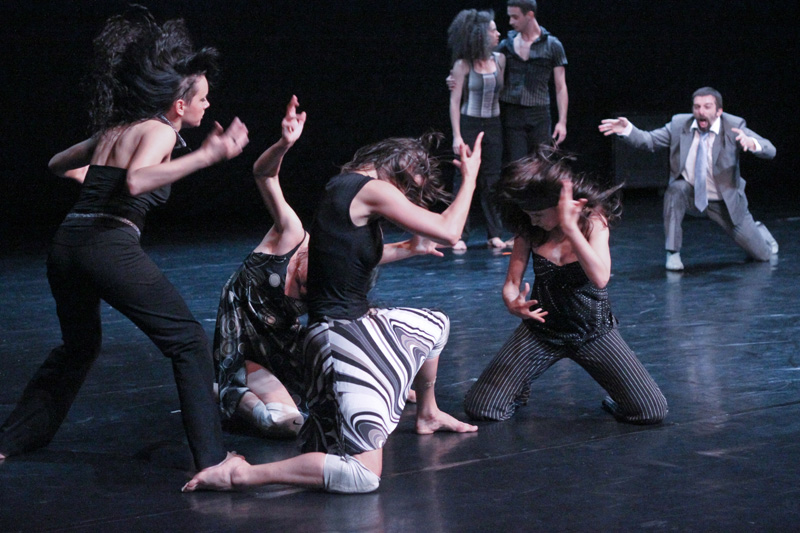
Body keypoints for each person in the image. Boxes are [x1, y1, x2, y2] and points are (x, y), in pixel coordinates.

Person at [0, 7, 249, 480]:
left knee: (79, 346)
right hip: (107, 245)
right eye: (202, 99)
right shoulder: (159, 130)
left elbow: (56, 163)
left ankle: (10, 441)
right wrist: (208, 156)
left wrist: (93, 182)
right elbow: (137, 180)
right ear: (180, 105)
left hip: (67, 245)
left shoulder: (116, 129)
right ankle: (212, 460)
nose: (207, 105)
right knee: (188, 340)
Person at [183, 132, 484, 494]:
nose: (405, 196)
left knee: (434, 325)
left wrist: (410, 246)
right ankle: (239, 474)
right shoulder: (369, 189)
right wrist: (471, 176)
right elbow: (450, 231)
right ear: (398, 165)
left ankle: (428, 413)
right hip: (338, 339)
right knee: (361, 475)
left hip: (352, 325)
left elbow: (350, 258)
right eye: (408, 185)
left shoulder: (345, 193)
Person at [463, 149, 667, 424]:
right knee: (482, 407)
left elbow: (600, 277)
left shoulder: (593, 222)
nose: (532, 220)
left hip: (592, 331)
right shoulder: (530, 228)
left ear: (559, 205)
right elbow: (511, 283)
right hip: (542, 330)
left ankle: (617, 398)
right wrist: (512, 303)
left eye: (538, 214)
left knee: (650, 411)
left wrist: (571, 229)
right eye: (528, 214)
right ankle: (518, 387)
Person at [599, 87, 778, 271]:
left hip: (724, 202)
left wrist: (752, 143)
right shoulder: (679, 125)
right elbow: (650, 141)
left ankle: (758, 230)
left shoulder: (733, 126)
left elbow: (770, 150)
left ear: (719, 111)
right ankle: (673, 252)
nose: (701, 112)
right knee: (675, 190)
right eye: (697, 106)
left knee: (762, 255)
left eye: (707, 107)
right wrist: (628, 130)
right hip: (691, 194)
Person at [213, 96, 309, 439]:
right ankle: (223, 390)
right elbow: (263, 173)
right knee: (284, 422)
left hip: (283, 347)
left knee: (338, 402)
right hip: (242, 345)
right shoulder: (292, 234)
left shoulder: (332, 278)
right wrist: (285, 144)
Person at [447, 9, 507, 250]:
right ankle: (459, 234)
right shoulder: (463, 65)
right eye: (493, 30)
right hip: (469, 123)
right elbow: (454, 101)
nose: (498, 33)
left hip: (493, 124)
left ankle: (494, 234)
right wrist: (457, 135)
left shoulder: (500, 60)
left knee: (492, 179)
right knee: (464, 178)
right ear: (480, 35)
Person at [498, 0, 568, 160]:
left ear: (529, 15)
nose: (511, 22)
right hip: (513, 111)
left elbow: (561, 87)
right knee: (517, 164)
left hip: (539, 113)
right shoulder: (507, 44)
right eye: (510, 17)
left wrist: (562, 122)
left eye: (515, 17)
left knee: (541, 163)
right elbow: (483, 62)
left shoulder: (552, 45)